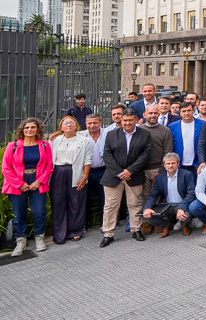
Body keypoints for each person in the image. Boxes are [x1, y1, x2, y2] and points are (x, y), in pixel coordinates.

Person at [99, 108, 152, 247]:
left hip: (134, 175)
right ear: (121, 121)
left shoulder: (145, 134)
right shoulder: (111, 134)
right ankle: (108, 233)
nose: (128, 123)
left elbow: (145, 155)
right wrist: (119, 172)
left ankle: (136, 230)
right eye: (125, 120)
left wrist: (130, 171)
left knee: (135, 204)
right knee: (110, 206)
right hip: (113, 176)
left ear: (136, 120)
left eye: (130, 120)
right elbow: (107, 155)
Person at [3, 119, 53, 256]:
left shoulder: (44, 145)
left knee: (40, 212)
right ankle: (21, 241)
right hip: (18, 183)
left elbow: (49, 165)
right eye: (27, 127)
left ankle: (39, 238)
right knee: (19, 214)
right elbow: (6, 168)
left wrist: (39, 181)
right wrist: (20, 184)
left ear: (37, 130)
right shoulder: (13, 146)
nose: (29, 130)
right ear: (22, 130)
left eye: (33, 127)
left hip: (37, 182)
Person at [49, 116, 91, 244]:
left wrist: (84, 177)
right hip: (58, 172)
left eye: (72, 123)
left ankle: (76, 230)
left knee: (76, 202)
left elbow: (87, 160)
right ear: (61, 127)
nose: (69, 125)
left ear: (76, 126)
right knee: (58, 202)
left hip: (76, 171)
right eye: (65, 123)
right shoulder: (55, 140)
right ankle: (60, 233)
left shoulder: (84, 140)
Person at [139, 105, 174, 235]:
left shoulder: (165, 131)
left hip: (158, 168)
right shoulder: (139, 130)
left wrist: (161, 170)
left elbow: (168, 152)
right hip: (142, 169)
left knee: (159, 196)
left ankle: (158, 222)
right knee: (144, 196)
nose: (153, 115)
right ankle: (146, 222)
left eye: (155, 113)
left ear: (159, 114)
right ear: (145, 115)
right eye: (150, 113)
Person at [142, 152, 196, 238]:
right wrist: (147, 208)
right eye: (168, 163)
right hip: (167, 206)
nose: (171, 166)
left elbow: (191, 193)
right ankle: (167, 226)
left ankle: (185, 225)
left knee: (186, 214)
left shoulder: (187, 174)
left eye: (173, 163)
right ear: (164, 165)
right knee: (148, 215)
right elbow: (153, 195)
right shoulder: (160, 178)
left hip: (182, 204)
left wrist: (182, 208)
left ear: (178, 164)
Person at [168, 102, 205, 174]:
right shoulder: (172, 126)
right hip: (179, 165)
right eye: (184, 111)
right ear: (180, 112)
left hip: (197, 165)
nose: (186, 113)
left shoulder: (203, 124)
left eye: (189, 110)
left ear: (193, 111)